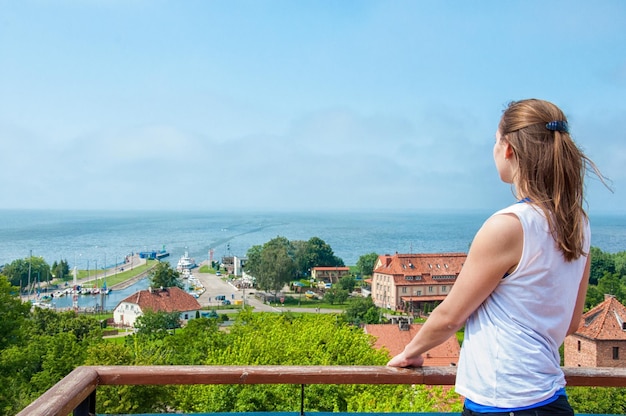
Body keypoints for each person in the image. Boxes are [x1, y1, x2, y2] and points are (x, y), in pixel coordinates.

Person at [387, 99, 608, 415]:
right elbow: (571, 321)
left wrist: (411, 351)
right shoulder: (577, 223)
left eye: (495, 141)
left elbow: (450, 315)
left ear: (508, 150)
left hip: (505, 401)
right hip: (550, 399)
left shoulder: (509, 226)